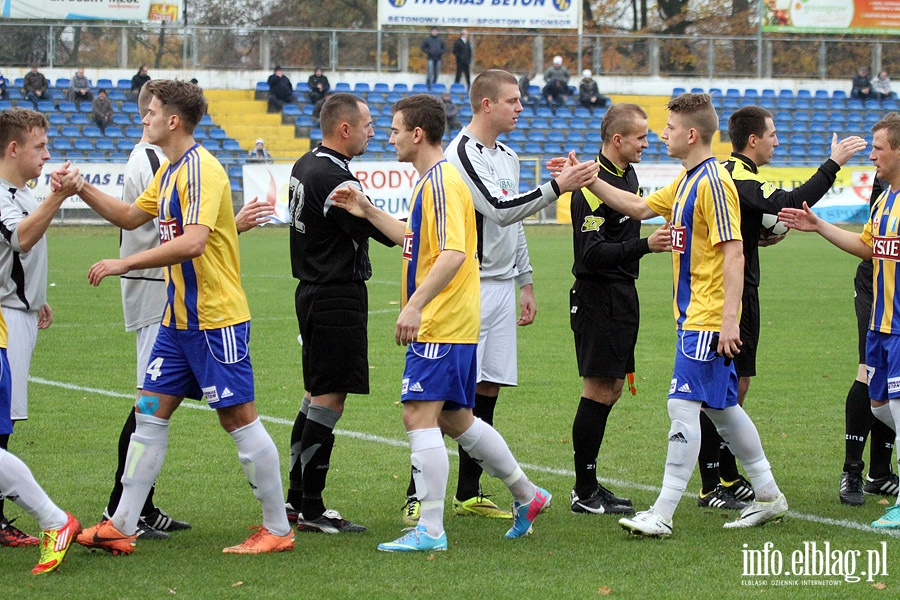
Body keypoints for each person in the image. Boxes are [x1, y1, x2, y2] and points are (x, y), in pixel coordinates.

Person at [55, 79, 292, 555]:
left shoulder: (201, 169)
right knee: (149, 413)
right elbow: (128, 217)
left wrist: (125, 263)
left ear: (174, 121)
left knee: (238, 419)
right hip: (176, 321)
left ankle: (277, 529)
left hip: (214, 319)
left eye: (151, 111)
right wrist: (80, 188)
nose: (144, 118)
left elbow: (194, 241)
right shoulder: (168, 171)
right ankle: (122, 523)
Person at [331, 93, 552, 552]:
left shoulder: (444, 182)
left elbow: (453, 253)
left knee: (418, 414)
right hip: (452, 321)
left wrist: (414, 305)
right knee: (456, 418)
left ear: (416, 134)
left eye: (393, 130)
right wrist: (368, 210)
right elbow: (417, 241)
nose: (387, 138)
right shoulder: (430, 182)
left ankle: (430, 529)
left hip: (443, 321)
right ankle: (528, 495)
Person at [571, 92, 788, 536]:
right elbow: (635, 207)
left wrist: (729, 321)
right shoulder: (687, 179)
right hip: (694, 315)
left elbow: (734, 254)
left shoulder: (713, 183)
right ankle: (769, 495)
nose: (661, 136)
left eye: (668, 129)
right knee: (724, 409)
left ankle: (663, 512)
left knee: (681, 404)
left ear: (691, 134)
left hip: (707, 317)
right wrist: (588, 179)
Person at [398, 70, 597, 525]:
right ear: (486, 104)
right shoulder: (459, 156)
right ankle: (417, 497)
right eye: (513, 100)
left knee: (480, 392)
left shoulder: (506, 155)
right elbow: (502, 210)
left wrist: (525, 280)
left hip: (502, 285)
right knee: (440, 399)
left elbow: (516, 224)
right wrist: (557, 188)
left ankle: (469, 491)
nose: (521, 107)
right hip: (469, 285)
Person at [694, 106, 868, 511]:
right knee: (722, 390)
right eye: (772, 135)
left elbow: (750, 223)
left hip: (745, 290)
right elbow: (792, 200)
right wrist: (834, 163)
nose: (777, 141)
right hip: (727, 295)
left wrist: (756, 238)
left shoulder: (743, 176)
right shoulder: (736, 174)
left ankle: (726, 472)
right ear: (752, 140)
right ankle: (710, 483)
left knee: (737, 387)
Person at [778, 112, 900, 530]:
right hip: (880, 324)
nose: (873, 158)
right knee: (881, 404)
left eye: (880, 149)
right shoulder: (884, 199)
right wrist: (818, 225)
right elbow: (867, 248)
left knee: (896, 408)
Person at [284, 92, 394, 534]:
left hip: (311, 290)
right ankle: (310, 507)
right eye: (367, 124)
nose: (373, 131)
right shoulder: (334, 178)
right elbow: (384, 234)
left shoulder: (304, 164)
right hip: (336, 295)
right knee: (330, 398)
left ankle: (295, 499)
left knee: (314, 393)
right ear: (344, 129)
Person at [568, 104, 671, 516]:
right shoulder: (591, 184)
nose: (648, 143)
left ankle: (590, 484)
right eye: (641, 137)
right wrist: (645, 245)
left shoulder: (626, 175)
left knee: (610, 389)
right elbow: (589, 256)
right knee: (597, 389)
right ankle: (583, 490)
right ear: (618, 140)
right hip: (597, 295)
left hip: (622, 293)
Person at [0, 107, 76, 550]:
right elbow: (20, 239)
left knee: (5, 418)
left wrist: (38, 299)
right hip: (5, 318)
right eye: (39, 146)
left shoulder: (23, 192)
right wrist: (56, 198)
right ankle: (46, 518)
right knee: (2, 421)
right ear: (13, 148)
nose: (47, 154)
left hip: (20, 314)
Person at [838, 175, 899, 506]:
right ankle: (852, 470)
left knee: (893, 380)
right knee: (869, 370)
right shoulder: (888, 182)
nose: (874, 156)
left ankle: (879, 472)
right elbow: (872, 241)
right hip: (878, 278)